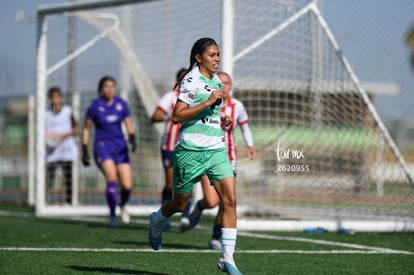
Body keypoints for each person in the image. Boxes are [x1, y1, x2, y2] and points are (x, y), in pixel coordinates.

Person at [148, 37, 242, 275]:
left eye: (218, 55)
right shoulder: (190, 81)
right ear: (198, 58)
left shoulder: (215, 80)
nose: (217, 59)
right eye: (212, 55)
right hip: (190, 150)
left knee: (229, 199)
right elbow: (178, 116)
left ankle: (227, 259)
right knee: (179, 203)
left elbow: (208, 112)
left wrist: (221, 119)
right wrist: (209, 101)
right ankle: (157, 220)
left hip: (216, 149)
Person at [183, 72, 257, 251]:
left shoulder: (237, 106)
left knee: (227, 201)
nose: (224, 86)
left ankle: (216, 238)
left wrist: (250, 146)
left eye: (227, 83)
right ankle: (200, 206)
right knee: (211, 201)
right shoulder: (205, 100)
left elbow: (245, 127)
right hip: (207, 155)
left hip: (229, 158)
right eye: (221, 83)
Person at [81, 76, 137, 227]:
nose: (109, 89)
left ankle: (123, 205)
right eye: (106, 86)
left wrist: (132, 137)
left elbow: (128, 123)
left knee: (127, 186)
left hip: (120, 148)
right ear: (101, 88)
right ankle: (113, 216)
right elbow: (86, 128)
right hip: (102, 147)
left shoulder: (121, 104)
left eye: (112, 86)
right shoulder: (95, 106)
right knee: (111, 177)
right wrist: (84, 148)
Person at [151, 68, 191, 231]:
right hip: (169, 145)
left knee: (188, 181)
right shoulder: (171, 97)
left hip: (188, 145)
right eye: (182, 79)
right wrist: (171, 116)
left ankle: (185, 217)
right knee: (170, 184)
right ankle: (163, 217)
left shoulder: (195, 96)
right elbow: (155, 116)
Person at [46, 87, 79, 204]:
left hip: (66, 150)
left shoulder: (67, 112)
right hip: (52, 151)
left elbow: (76, 129)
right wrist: (49, 138)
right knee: (49, 176)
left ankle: (69, 201)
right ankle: (44, 200)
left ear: (61, 97)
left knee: (68, 177)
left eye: (57, 97)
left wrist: (63, 136)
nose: (55, 99)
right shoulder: (46, 114)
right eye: (52, 97)